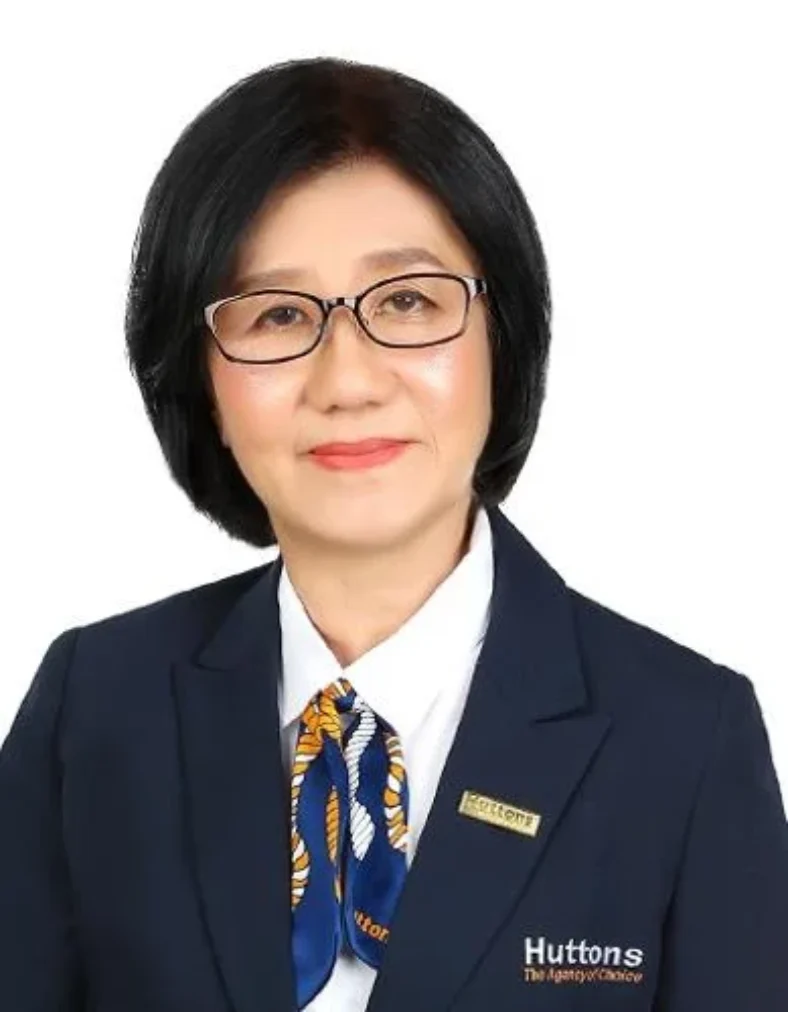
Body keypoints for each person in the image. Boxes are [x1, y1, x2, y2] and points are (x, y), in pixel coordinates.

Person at [1, 56, 786, 1012]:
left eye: (408, 301)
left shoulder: (685, 739)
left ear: (502, 334)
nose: (348, 381)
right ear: (199, 380)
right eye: (277, 314)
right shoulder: (92, 710)